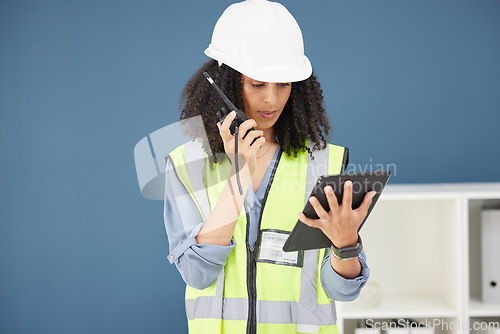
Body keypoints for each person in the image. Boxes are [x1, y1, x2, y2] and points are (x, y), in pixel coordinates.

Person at [164, 1, 375, 333]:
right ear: (226, 83)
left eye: (283, 84)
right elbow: (197, 273)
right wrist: (239, 174)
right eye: (258, 84)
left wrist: (345, 243)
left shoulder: (323, 163)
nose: (272, 100)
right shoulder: (186, 165)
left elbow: (341, 290)